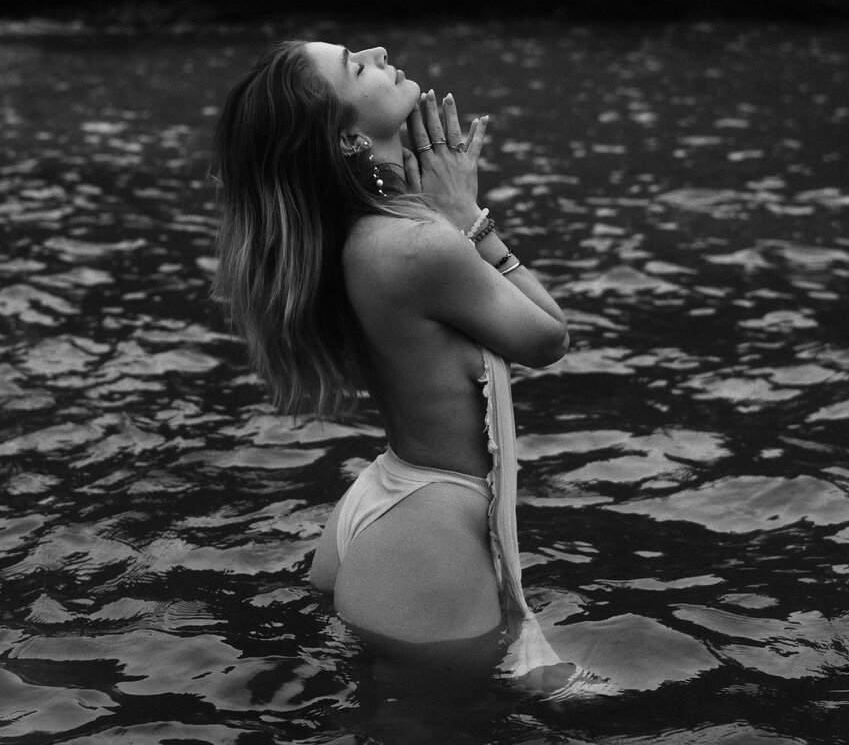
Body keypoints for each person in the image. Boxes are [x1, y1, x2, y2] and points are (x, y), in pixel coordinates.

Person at [212, 39, 609, 698]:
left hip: (391, 502)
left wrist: (441, 213)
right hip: (425, 531)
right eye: (355, 66)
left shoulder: (360, 235)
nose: (377, 51)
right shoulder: (416, 244)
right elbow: (548, 338)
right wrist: (470, 218)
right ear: (346, 139)